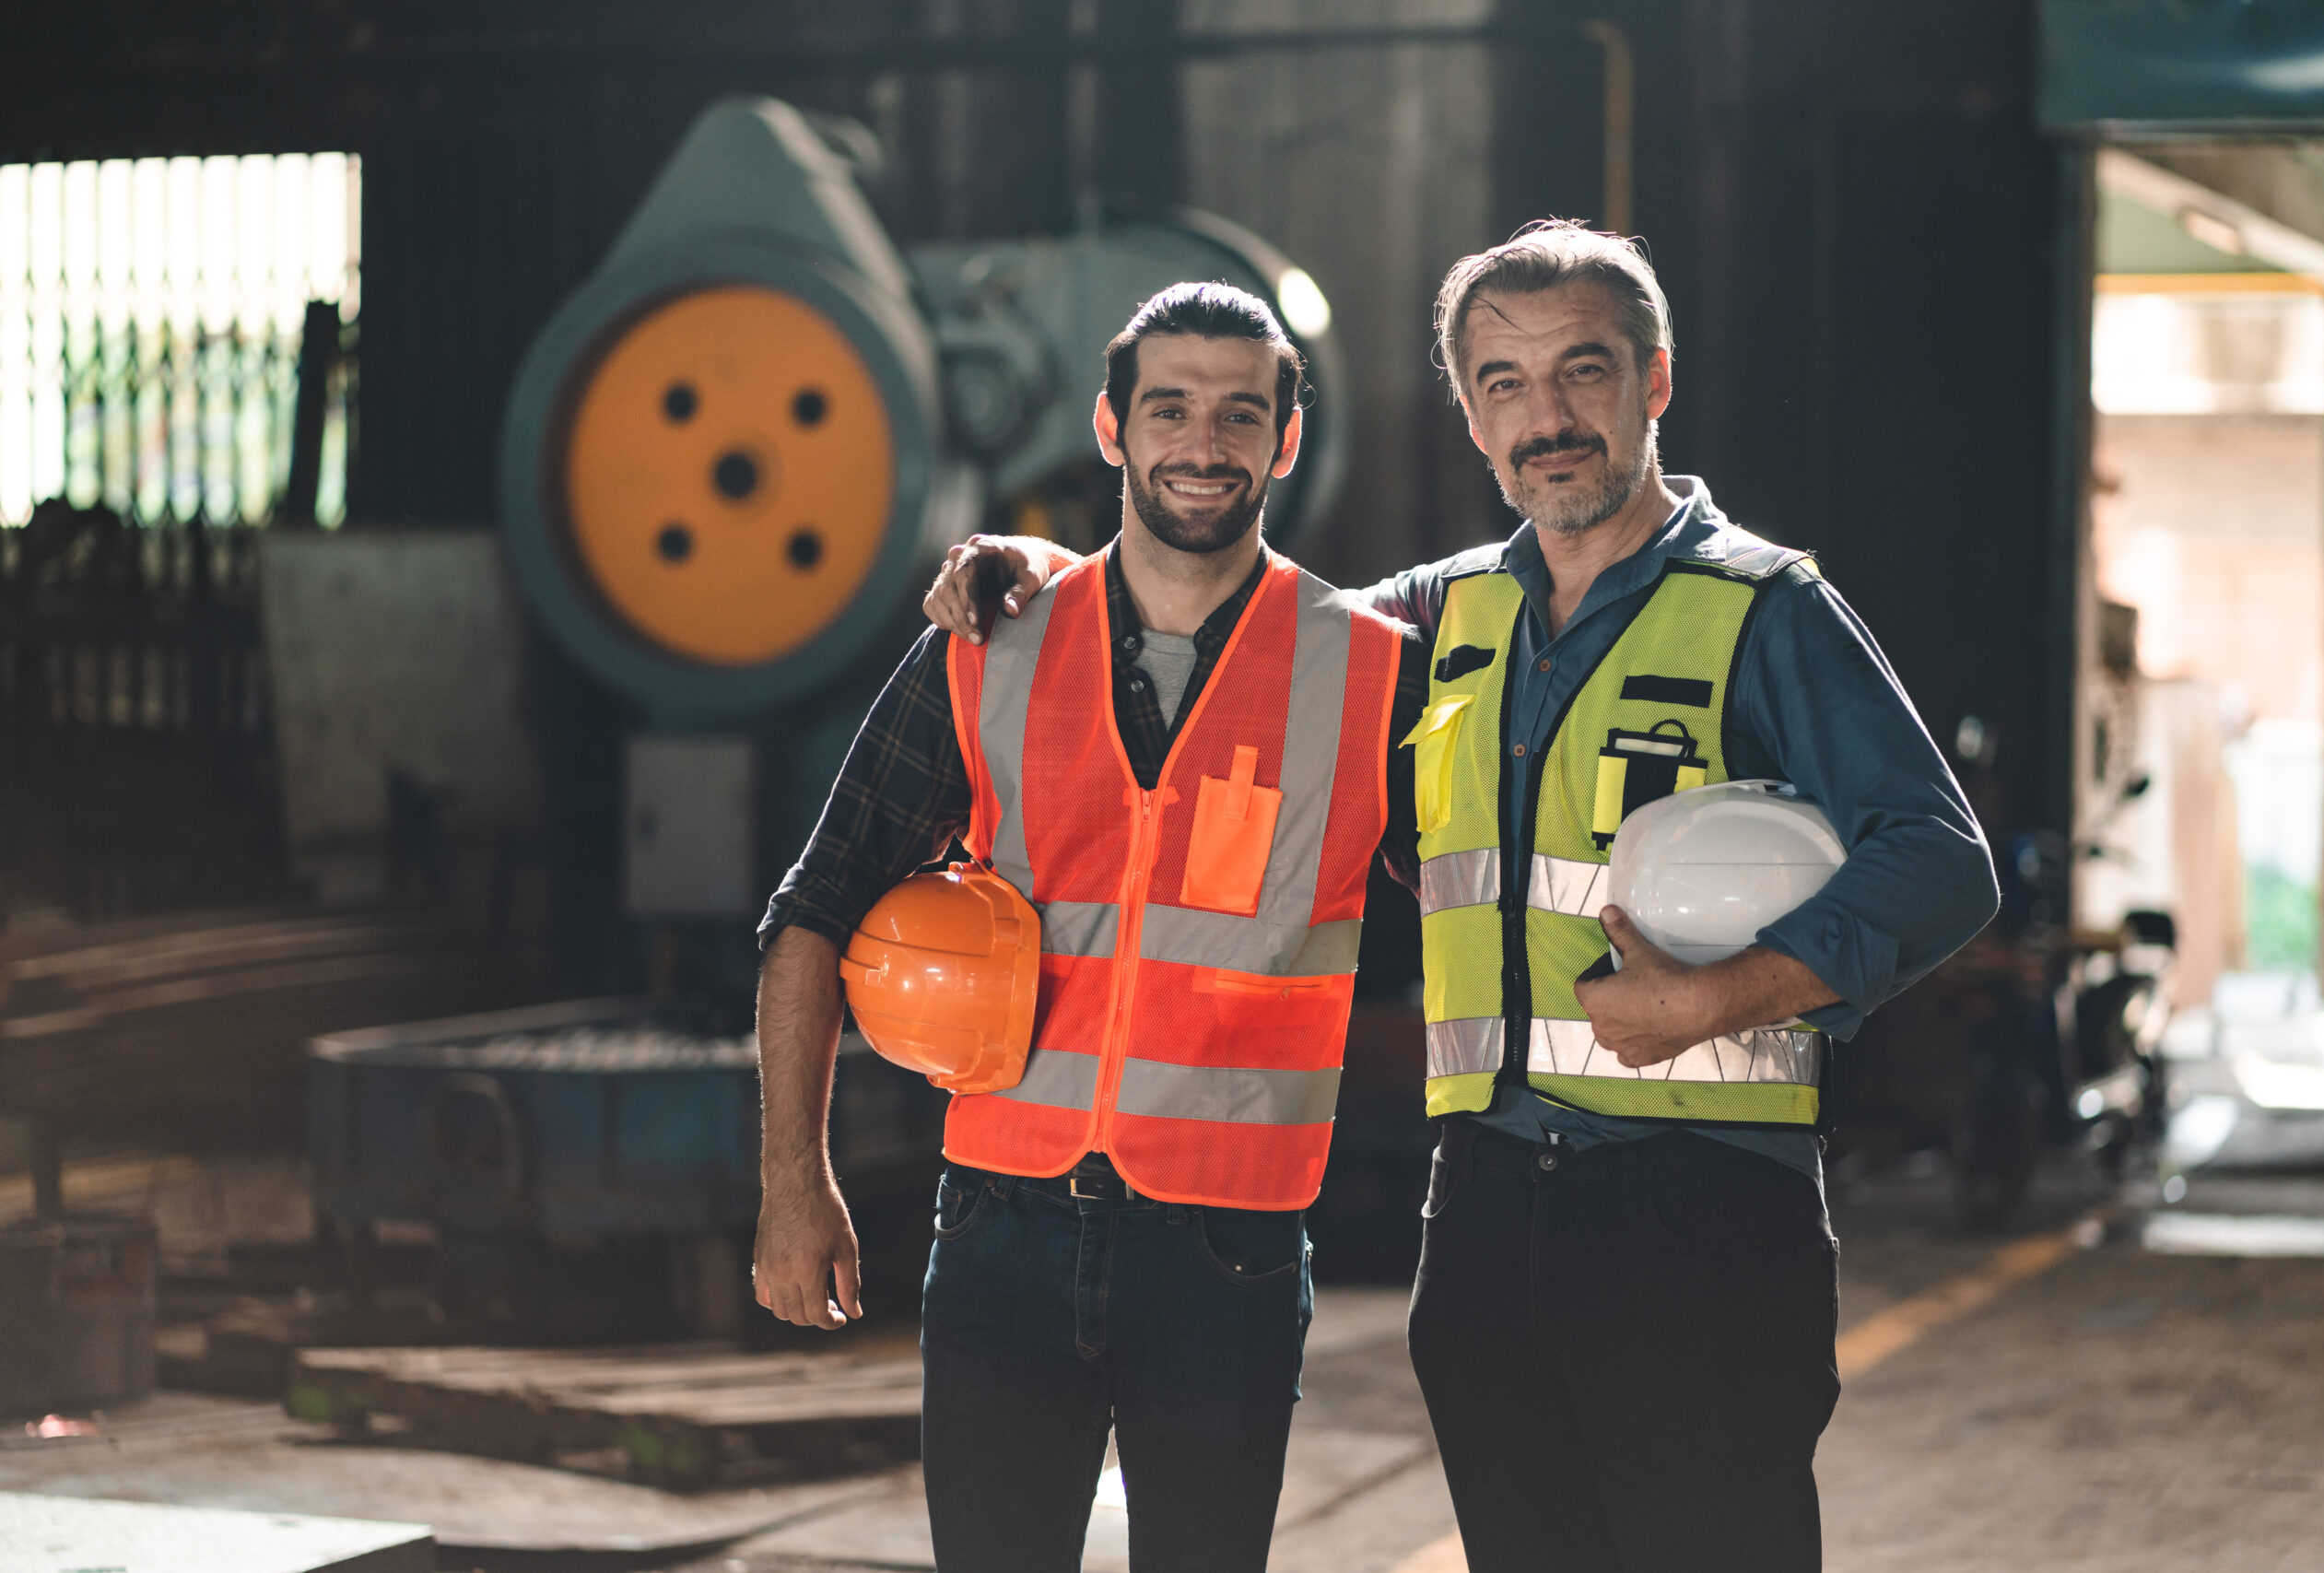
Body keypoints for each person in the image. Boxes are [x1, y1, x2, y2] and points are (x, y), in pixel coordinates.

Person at [921, 221, 2000, 1572]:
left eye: (1583, 371)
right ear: (1474, 420)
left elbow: (1938, 860)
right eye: (1504, 384)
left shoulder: (1765, 609)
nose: (1548, 419)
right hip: (1484, 1220)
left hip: (1702, 1217)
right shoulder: (1430, 622)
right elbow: (1227, 619)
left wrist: (1719, 998)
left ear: (1655, 382)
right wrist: (1033, 568)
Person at [750, 282, 1429, 1573]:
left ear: (1287, 440)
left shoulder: (1371, 670)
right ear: (1111, 428)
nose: (1203, 445)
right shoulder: (988, 640)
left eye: (1240, 415)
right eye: (1168, 409)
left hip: (1228, 1250)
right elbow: (813, 912)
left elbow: (1478, 911)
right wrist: (794, 1185)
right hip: (1000, 1228)